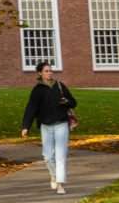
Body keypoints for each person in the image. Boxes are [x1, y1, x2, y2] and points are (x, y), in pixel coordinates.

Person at [19, 62, 78, 192]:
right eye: (46, 71)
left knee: (60, 155)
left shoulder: (59, 86)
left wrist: (67, 101)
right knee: (47, 156)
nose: (49, 73)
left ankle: (60, 184)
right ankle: (53, 176)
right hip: (46, 126)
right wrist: (25, 126)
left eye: (50, 70)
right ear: (40, 73)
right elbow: (31, 108)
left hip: (61, 124)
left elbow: (73, 102)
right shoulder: (38, 90)